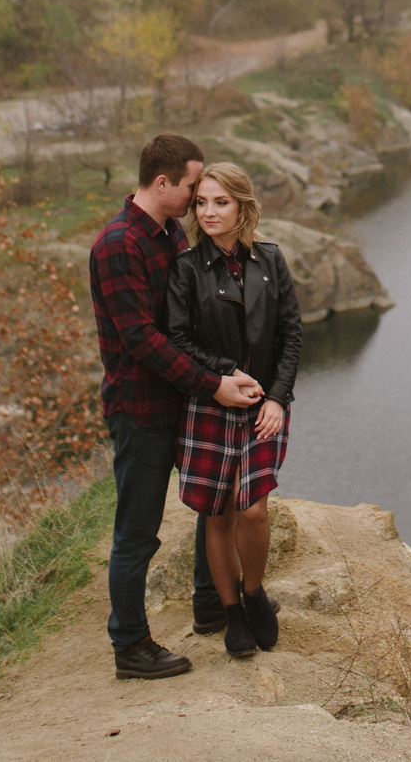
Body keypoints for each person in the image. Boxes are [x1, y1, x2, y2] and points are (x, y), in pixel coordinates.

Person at [89, 132, 266, 680]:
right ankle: (130, 646)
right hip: (141, 411)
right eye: (192, 187)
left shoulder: (167, 233)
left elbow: (186, 319)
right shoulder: (118, 244)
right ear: (163, 182)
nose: (196, 198)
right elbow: (143, 339)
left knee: (213, 506)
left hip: (184, 401)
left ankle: (212, 603)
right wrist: (213, 383)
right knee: (137, 532)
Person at [165, 161, 302, 658]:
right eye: (201, 202)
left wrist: (278, 398)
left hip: (263, 404)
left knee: (254, 508)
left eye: (220, 202)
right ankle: (232, 612)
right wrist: (225, 374)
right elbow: (176, 339)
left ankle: (254, 592)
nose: (209, 212)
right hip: (210, 403)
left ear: (242, 206)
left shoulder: (271, 259)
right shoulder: (186, 267)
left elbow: (291, 335)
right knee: (218, 513)